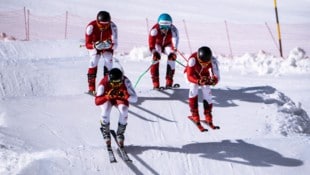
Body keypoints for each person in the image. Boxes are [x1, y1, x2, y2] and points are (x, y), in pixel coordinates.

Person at [95, 67, 138, 148]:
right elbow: (97, 101)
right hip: (108, 97)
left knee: (124, 109)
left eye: (118, 83)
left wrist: (127, 96)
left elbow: (135, 99)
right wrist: (106, 97)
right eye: (113, 83)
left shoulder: (126, 81)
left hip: (119, 98)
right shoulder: (103, 83)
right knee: (105, 110)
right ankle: (106, 131)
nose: (115, 86)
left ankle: (120, 133)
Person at [186, 46, 220, 131]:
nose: (204, 65)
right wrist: (198, 81)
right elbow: (189, 76)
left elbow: (217, 75)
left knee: (207, 88)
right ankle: (195, 114)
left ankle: (208, 116)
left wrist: (213, 81)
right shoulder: (192, 60)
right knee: (193, 87)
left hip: (204, 76)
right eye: (202, 63)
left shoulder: (213, 60)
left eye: (206, 63)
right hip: (192, 75)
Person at [85, 11, 118, 95]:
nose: (103, 27)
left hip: (107, 46)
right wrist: (94, 46)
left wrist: (109, 45)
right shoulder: (90, 27)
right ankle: (91, 88)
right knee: (93, 61)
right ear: (97, 22)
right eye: (101, 25)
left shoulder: (113, 27)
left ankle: (107, 87)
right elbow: (87, 44)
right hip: (95, 46)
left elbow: (115, 45)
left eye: (106, 25)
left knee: (108, 59)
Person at [148, 13, 179, 89]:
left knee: (172, 58)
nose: (164, 30)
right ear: (159, 25)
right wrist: (154, 52)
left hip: (167, 45)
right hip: (157, 45)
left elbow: (175, 43)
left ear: (170, 26)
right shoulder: (154, 30)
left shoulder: (174, 30)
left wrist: (174, 52)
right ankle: (155, 83)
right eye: (162, 27)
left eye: (167, 27)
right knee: (156, 57)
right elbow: (151, 45)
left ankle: (169, 82)